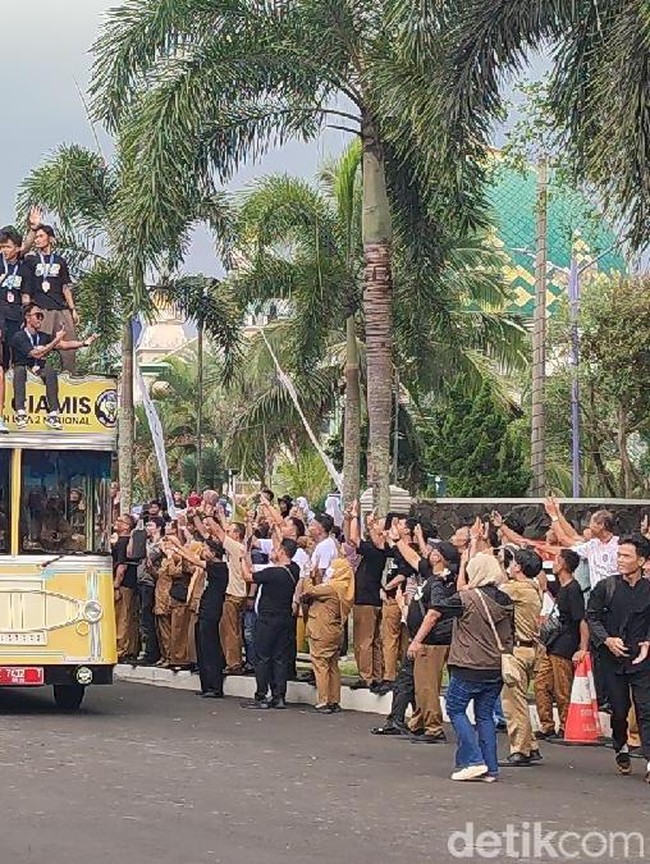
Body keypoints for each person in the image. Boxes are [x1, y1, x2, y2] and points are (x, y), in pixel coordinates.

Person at [432, 552, 514, 782]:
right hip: (496, 664)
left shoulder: (466, 598)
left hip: (468, 663)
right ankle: (491, 767)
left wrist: (439, 580)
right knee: (485, 715)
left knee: (455, 708)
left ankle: (473, 759)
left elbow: (438, 605)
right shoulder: (505, 600)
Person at [587, 535, 650, 783]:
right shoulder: (606, 587)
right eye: (619, 555)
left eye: (626, 556)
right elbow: (592, 617)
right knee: (619, 710)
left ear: (642, 561)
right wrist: (607, 640)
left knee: (646, 710)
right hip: (612, 661)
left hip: (642, 661)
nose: (620, 560)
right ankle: (620, 746)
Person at [402, 539, 460, 744]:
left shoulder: (443, 580)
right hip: (428, 636)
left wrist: (417, 639)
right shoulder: (431, 576)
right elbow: (413, 557)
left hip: (433, 638)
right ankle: (419, 721)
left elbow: (434, 612)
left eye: (438, 550)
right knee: (420, 683)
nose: (432, 552)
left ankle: (433, 726)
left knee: (427, 684)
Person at [11, 304, 97, 430]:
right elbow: (36, 353)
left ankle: (53, 414)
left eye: (42, 316)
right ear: (28, 318)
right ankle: (20, 412)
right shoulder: (19, 336)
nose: (40, 319)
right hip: (23, 368)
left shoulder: (43, 336)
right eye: (38, 315)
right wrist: (55, 341)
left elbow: (64, 344)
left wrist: (84, 343)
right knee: (19, 372)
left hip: (38, 369)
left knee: (50, 370)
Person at [535, 548, 588, 741]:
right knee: (541, 684)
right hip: (552, 642)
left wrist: (583, 648)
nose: (554, 563)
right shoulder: (562, 587)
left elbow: (581, 619)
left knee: (562, 688)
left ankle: (566, 726)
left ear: (564, 564)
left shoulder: (574, 589)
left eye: (557, 560)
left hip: (565, 644)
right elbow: (543, 584)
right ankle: (547, 724)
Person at [242, 538, 300, 709]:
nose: (272, 553)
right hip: (284, 618)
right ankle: (279, 695)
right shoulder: (294, 570)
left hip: (268, 619)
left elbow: (247, 576)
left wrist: (241, 559)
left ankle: (261, 695)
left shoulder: (273, 573)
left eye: (275, 550)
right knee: (280, 657)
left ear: (282, 552)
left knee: (263, 657)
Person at [499, 548, 544, 765]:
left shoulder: (516, 589)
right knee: (520, 700)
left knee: (512, 702)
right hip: (529, 649)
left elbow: (492, 589)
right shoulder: (534, 587)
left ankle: (520, 749)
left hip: (516, 650)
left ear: (519, 567)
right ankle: (531, 744)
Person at [303, 555, 354, 713]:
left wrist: (307, 575)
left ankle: (323, 700)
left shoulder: (332, 587)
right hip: (335, 630)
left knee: (320, 664)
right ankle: (334, 699)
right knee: (332, 665)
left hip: (322, 630)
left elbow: (310, 591)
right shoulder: (344, 587)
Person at [27, 224, 79, 373]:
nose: (37, 240)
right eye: (36, 237)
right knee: (40, 346)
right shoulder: (31, 260)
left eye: (41, 236)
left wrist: (73, 309)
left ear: (50, 239)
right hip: (41, 309)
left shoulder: (60, 261)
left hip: (61, 309)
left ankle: (69, 376)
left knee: (69, 346)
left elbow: (65, 287)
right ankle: (37, 375)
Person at [348, 504, 386, 691]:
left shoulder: (375, 551)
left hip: (365, 600)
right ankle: (377, 673)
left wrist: (355, 517)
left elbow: (354, 539)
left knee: (363, 640)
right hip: (374, 599)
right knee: (375, 639)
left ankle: (366, 676)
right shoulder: (378, 552)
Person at [0, 227, 33, 433]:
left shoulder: (24, 270)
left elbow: (26, 297)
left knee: (15, 363)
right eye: (1, 247)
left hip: (15, 320)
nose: (4, 250)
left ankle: (13, 410)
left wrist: (26, 318)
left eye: (7, 247)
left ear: (17, 248)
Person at [112, 514, 140, 662]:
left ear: (127, 526)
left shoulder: (123, 542)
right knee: (128, 615)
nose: (116, 523)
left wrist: (116, 584)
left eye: (120, 521)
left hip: (124, 584)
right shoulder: (126, 542)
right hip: (128, 584)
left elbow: (121, 566)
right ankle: (129, 647)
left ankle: (121, 649)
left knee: (123, 616)